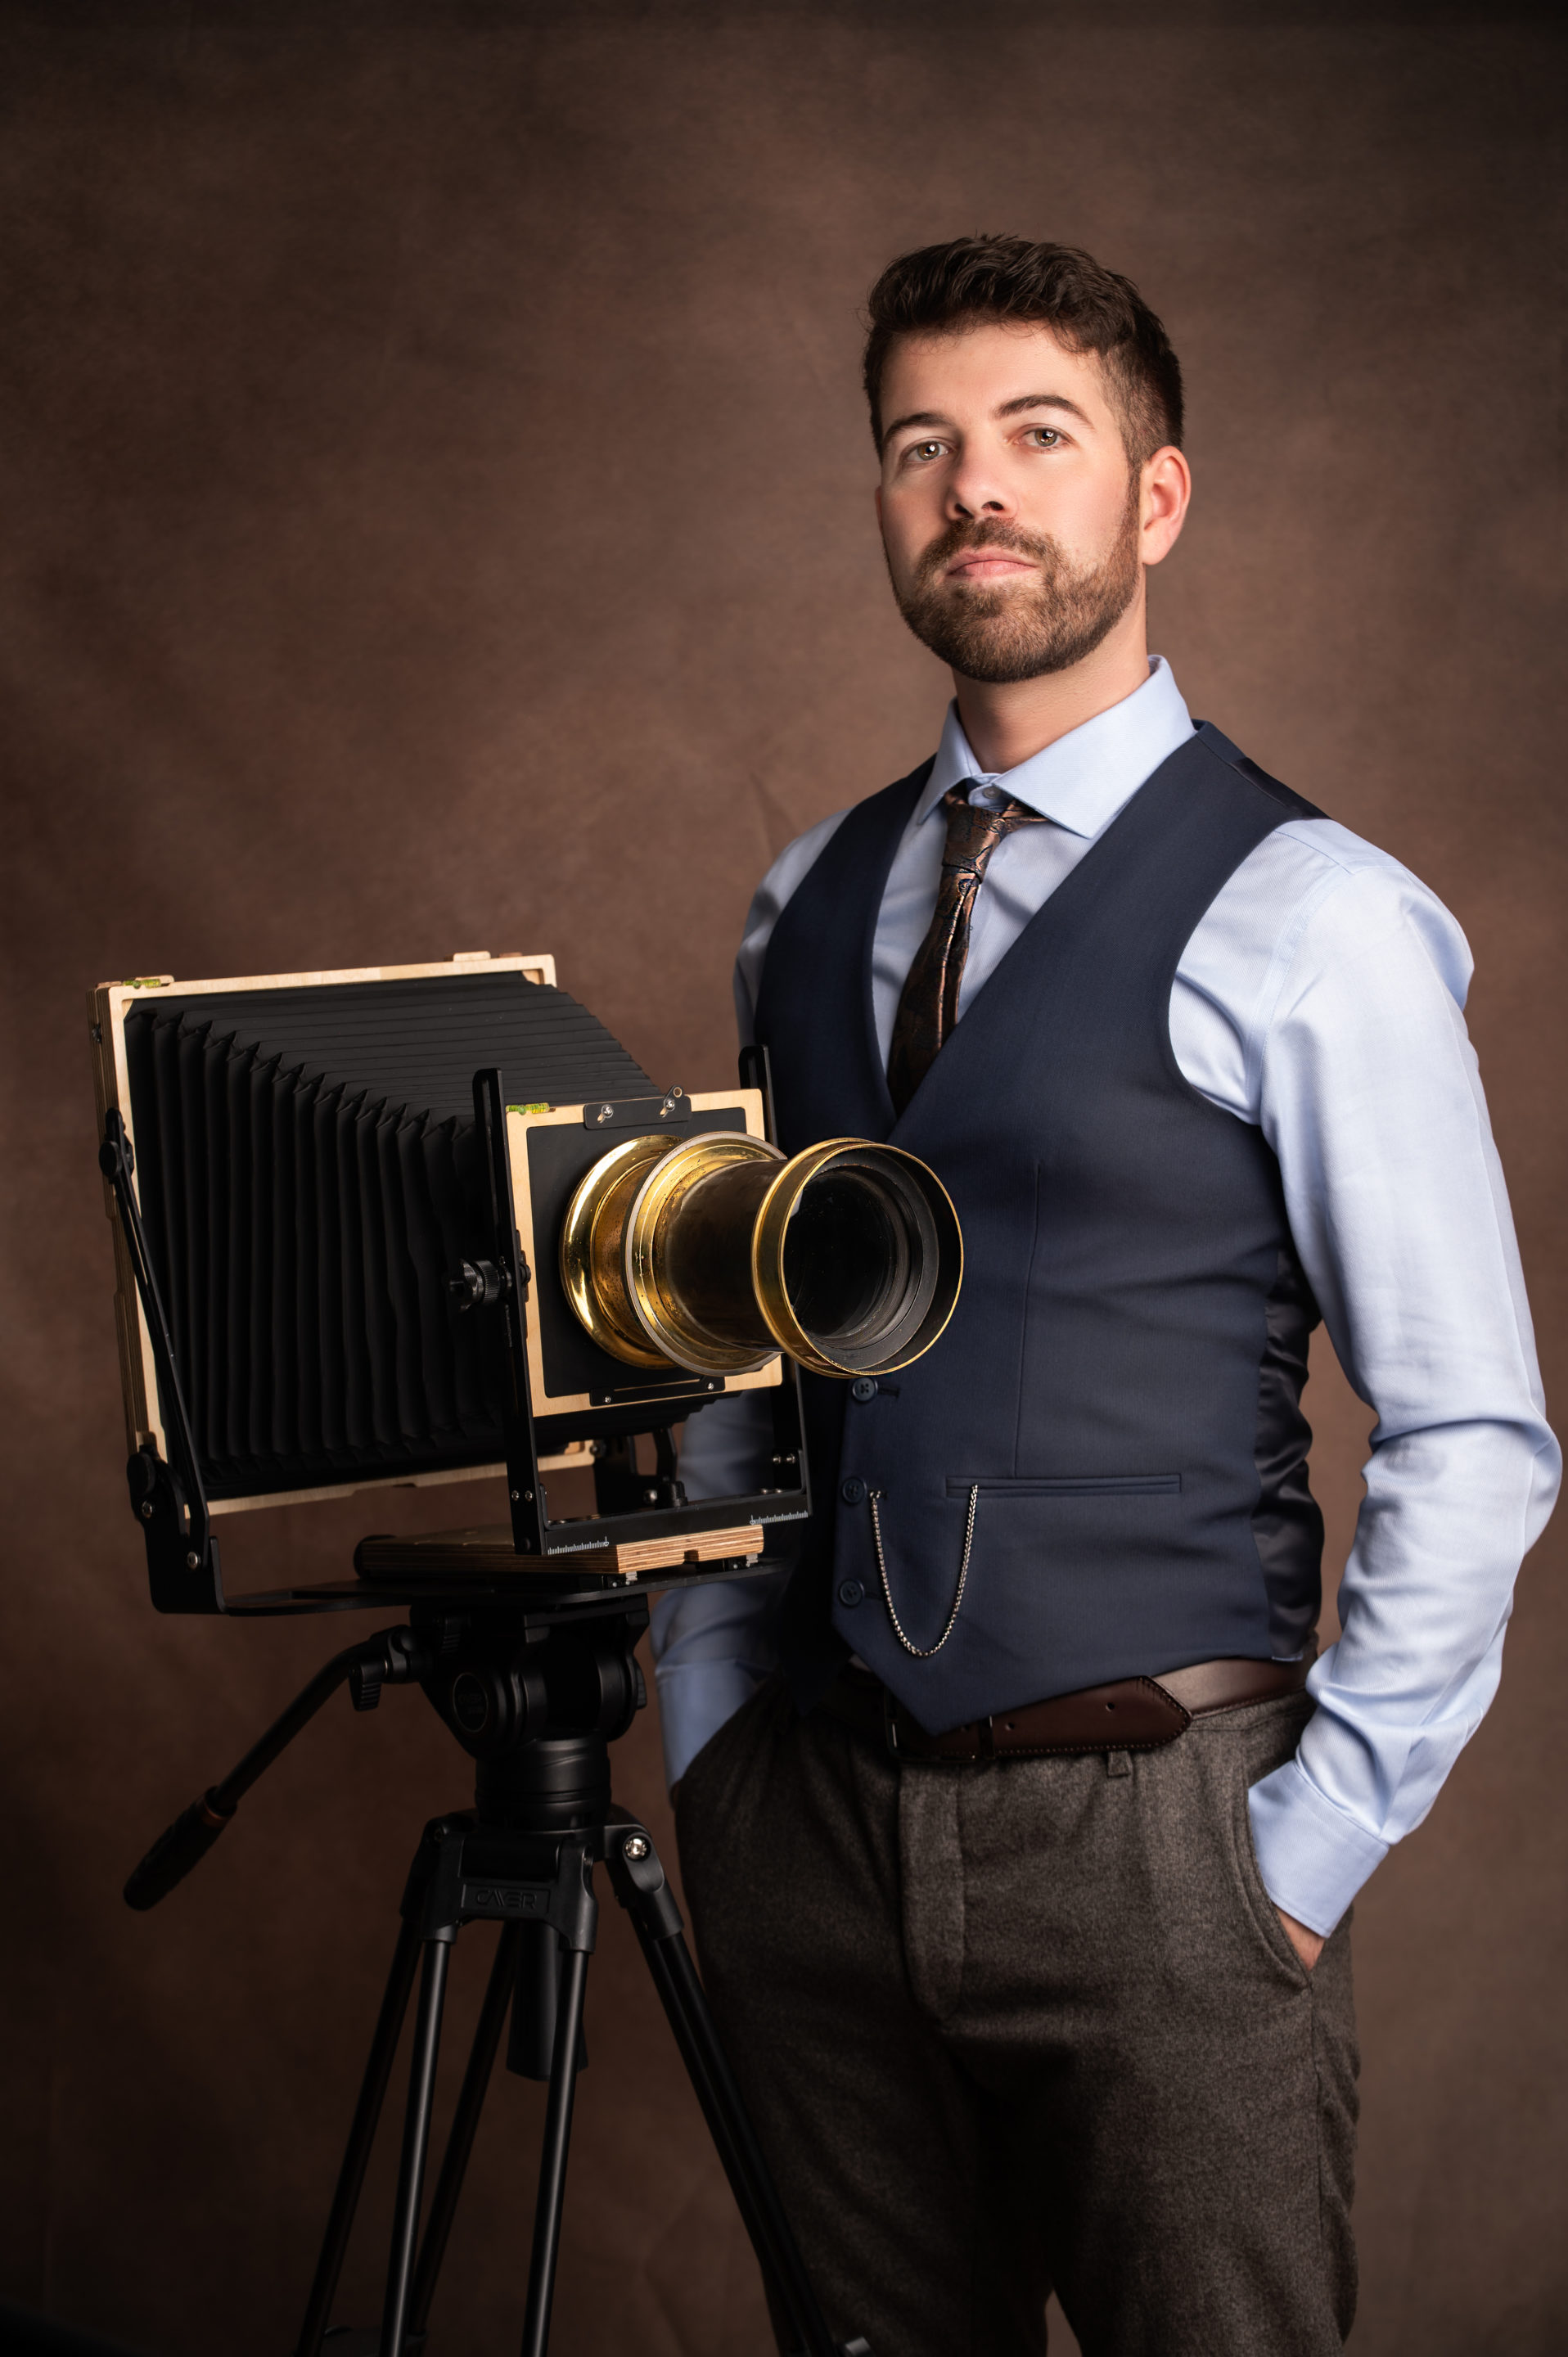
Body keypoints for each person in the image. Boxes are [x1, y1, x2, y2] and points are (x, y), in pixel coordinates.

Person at [651, 237, 1558, 2357]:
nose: (975, 488)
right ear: (882, 501)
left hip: (1168, 1843)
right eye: (919, 444)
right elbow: (739, 1377)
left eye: (1034, 436)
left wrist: (1296, 1859)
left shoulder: (1313, 915)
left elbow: (1470, 1433)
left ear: (1151, 495)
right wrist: (710, 1750)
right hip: (810, 1823)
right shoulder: (799, 901)